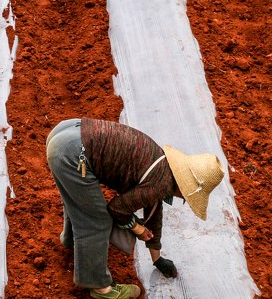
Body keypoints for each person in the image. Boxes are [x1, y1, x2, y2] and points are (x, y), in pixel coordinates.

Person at [46, 118, 225, 299]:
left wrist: (157, 259)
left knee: (81, 202)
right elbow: (117, 209)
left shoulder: (163, 166)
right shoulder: (160, 185)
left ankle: (71, 240)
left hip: (68, 133)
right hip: (72, 154)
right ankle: (101, 288)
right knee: (97, 221)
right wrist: (137, 228)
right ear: (185, 187)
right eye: (189, 196)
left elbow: (154, 210)